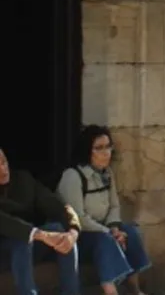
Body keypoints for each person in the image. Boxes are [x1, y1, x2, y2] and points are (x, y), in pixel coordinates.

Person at [56, 125, 152, 295]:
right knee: (105, 241)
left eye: (108, 146)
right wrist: (108, 233)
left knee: (131, 232)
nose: (106, 152)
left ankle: (135, 290)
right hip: (80, 236)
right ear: (87, 150)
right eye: (99, 148)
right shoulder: (73, 176)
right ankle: (110, 291)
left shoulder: (107, 173)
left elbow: (114, 206)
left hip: (103, 229)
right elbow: (78, 218)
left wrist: (114, 228)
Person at [0, 147, 82, 295]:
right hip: (5, 251)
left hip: (29, 248)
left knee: (58, 230)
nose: (3, 169)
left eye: (4, 162)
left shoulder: (23, 180)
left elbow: (57, 205)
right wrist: (41, 235)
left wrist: (73, 230)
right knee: (22, 239)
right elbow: (6, 223)